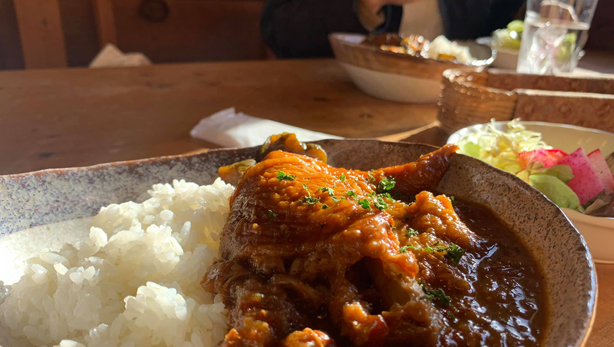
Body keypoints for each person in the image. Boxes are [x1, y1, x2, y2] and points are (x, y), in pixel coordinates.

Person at [261, 0, 525, 58]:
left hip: (450, 106)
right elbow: (279, 31)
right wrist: (364, 8)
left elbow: (499, 33)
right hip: (329, 100)